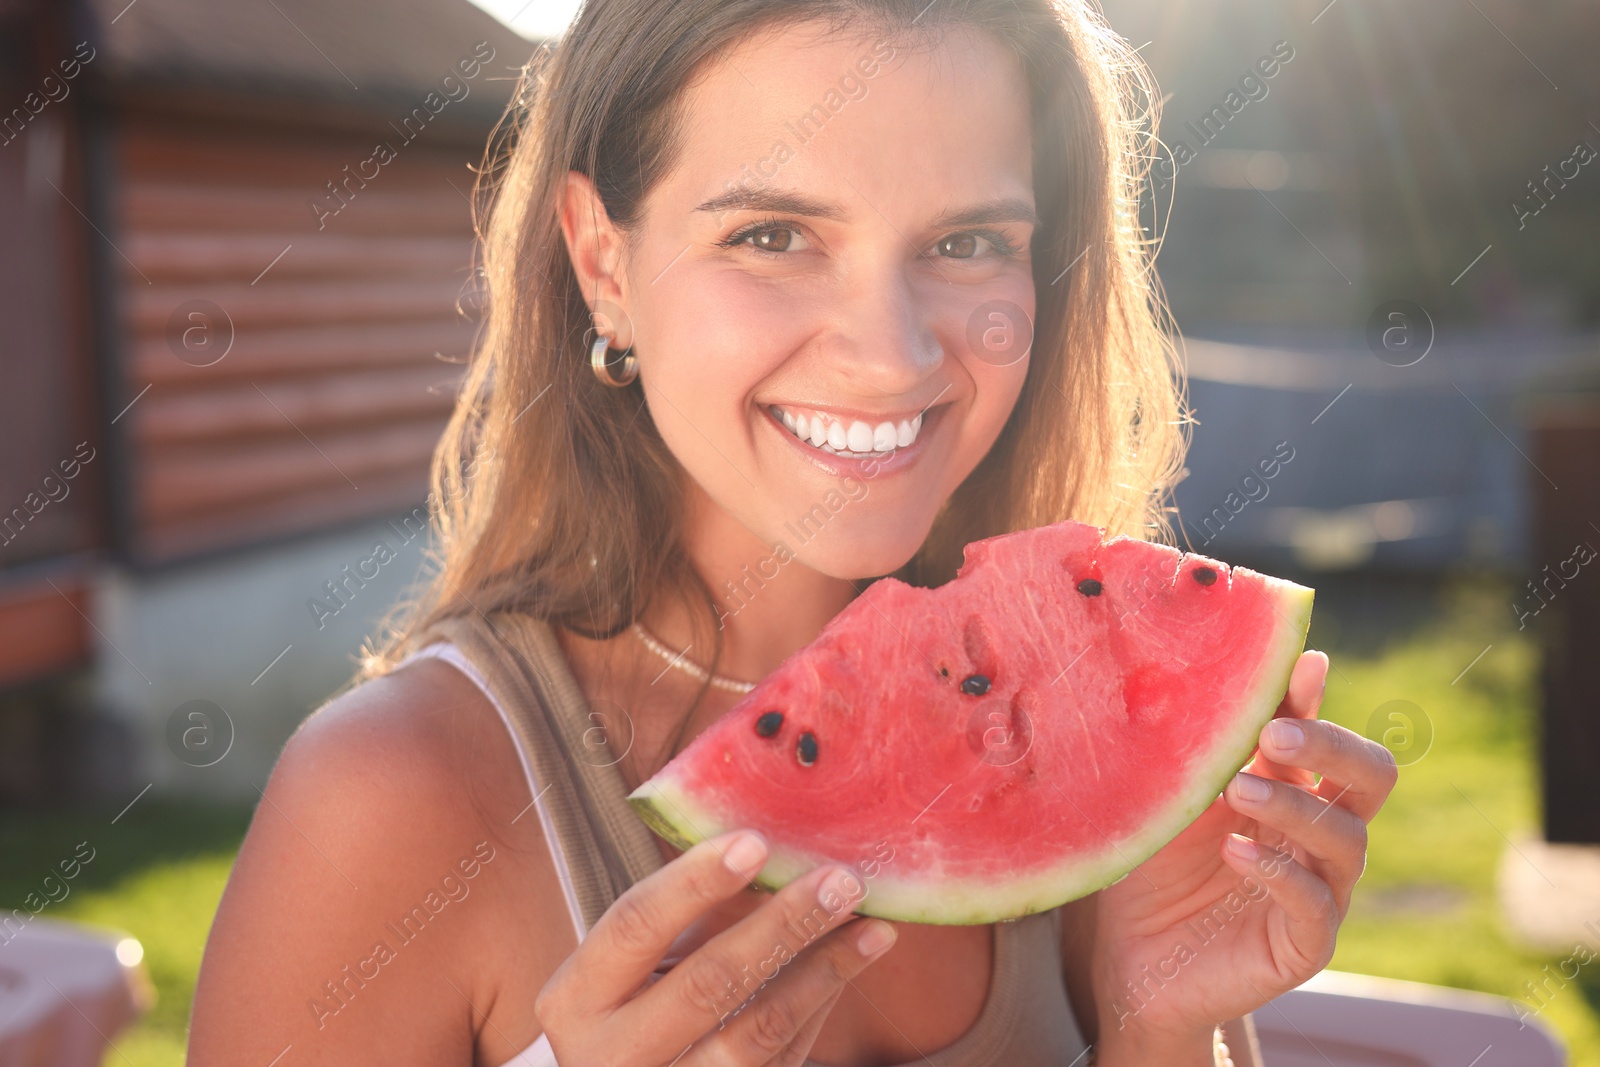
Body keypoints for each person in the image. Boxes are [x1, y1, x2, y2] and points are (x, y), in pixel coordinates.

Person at [188, 1, 1398, 1064]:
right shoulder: (390, 803)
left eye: (967, 241)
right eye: (771, 235)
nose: (892, 354)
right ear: (603, 261)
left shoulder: (1088, 730)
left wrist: (1161, 1027)